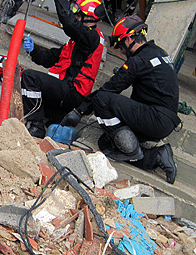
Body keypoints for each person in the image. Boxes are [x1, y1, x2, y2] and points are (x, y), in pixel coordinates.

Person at [62, 15, 180, 184]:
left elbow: (110, 89)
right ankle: (157, 156)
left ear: (131, 38)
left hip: (155, 118)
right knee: (107, 144)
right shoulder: (159, 53)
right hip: (162, 119)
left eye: (121, 44)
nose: (121, 51)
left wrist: (79, 110)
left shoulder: (138, 60)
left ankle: (131, 152)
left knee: (102, 99)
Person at [21, 0, 106, 138]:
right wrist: (34, 50)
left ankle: (37, 126)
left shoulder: (92, 37)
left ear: (88, 17)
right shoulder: (76, 41)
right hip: (64, 90)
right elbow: (51, 57)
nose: (75, 18)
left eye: (78, 15)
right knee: (30, 88)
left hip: (72, 92)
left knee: (29, 77)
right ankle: (42, 120)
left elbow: (69, 24)